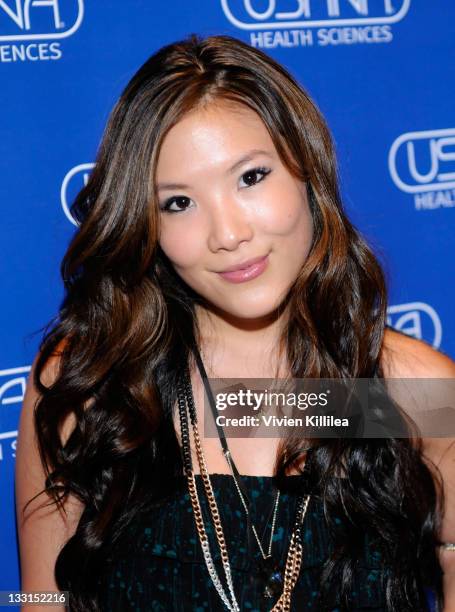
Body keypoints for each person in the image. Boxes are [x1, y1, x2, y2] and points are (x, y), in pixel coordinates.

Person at [15, 33, 455, 612]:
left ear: (307, 169)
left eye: (250, 177)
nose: (228, 235)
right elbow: (42, 598)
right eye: (178, 203)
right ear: (143, 223)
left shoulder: (406, 390)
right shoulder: (95, 383)